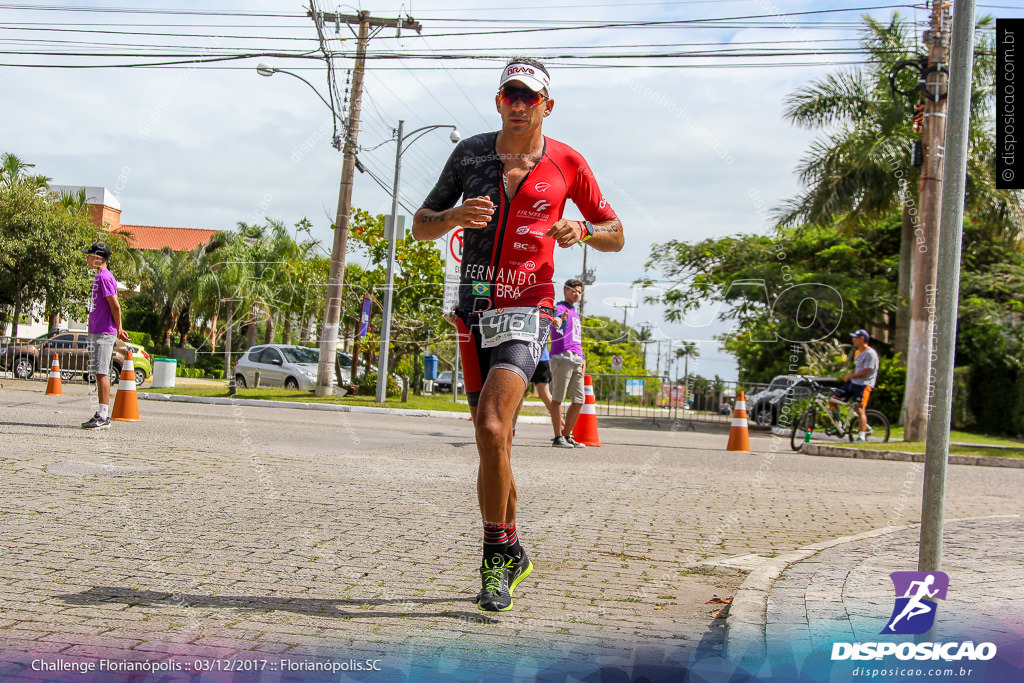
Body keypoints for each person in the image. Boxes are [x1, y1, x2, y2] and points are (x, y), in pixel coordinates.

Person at [412, 57, 623, 612]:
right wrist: (456, 215)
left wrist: (583, 229)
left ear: (546, 105)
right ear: (498, 101)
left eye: (530, 96)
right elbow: (420, 224)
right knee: (495, 440)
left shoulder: (567, 161)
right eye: (510, 94)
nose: (519, 104)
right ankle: (512, 547)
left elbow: (615, 232)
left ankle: (494, 556)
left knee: (489, 422)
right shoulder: (470, 155)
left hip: (530, 309)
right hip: (474, 309)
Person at [81, 242, 131, 430]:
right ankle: (101, 413)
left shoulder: (104, 277)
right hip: (96, 331)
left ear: (99, 258)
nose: (87, 258)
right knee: (98, 372)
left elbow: (115, 305)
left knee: (102, 373)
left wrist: (119, 328)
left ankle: (103, 415)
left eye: (90, 254)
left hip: (104, 333)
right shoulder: (98, 277)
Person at [548, 279, 587, 448]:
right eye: (573, 290)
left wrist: (583, 356)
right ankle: (558, 437)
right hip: (562, 356)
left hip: (577, 358)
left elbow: (576, 337)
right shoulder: (560, 309)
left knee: (579, 399)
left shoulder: (575, 312)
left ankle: (567, 434)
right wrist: (560, 320)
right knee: (558, 398)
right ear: (565, 290)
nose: (576, 294)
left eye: (579, 292)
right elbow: (555, 325)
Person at [829, 329, 879, 441]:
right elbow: (857, 369)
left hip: (864, 385)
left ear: (862, 339)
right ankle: (838, 424)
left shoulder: (870, 353)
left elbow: (866, 372)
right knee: (833, 400)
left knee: (860, 409)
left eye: (855, 338)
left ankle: (861, 436)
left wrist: (851, 376)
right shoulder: (858, 352)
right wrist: (849, 375)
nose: (853, 340)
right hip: (853, 383)